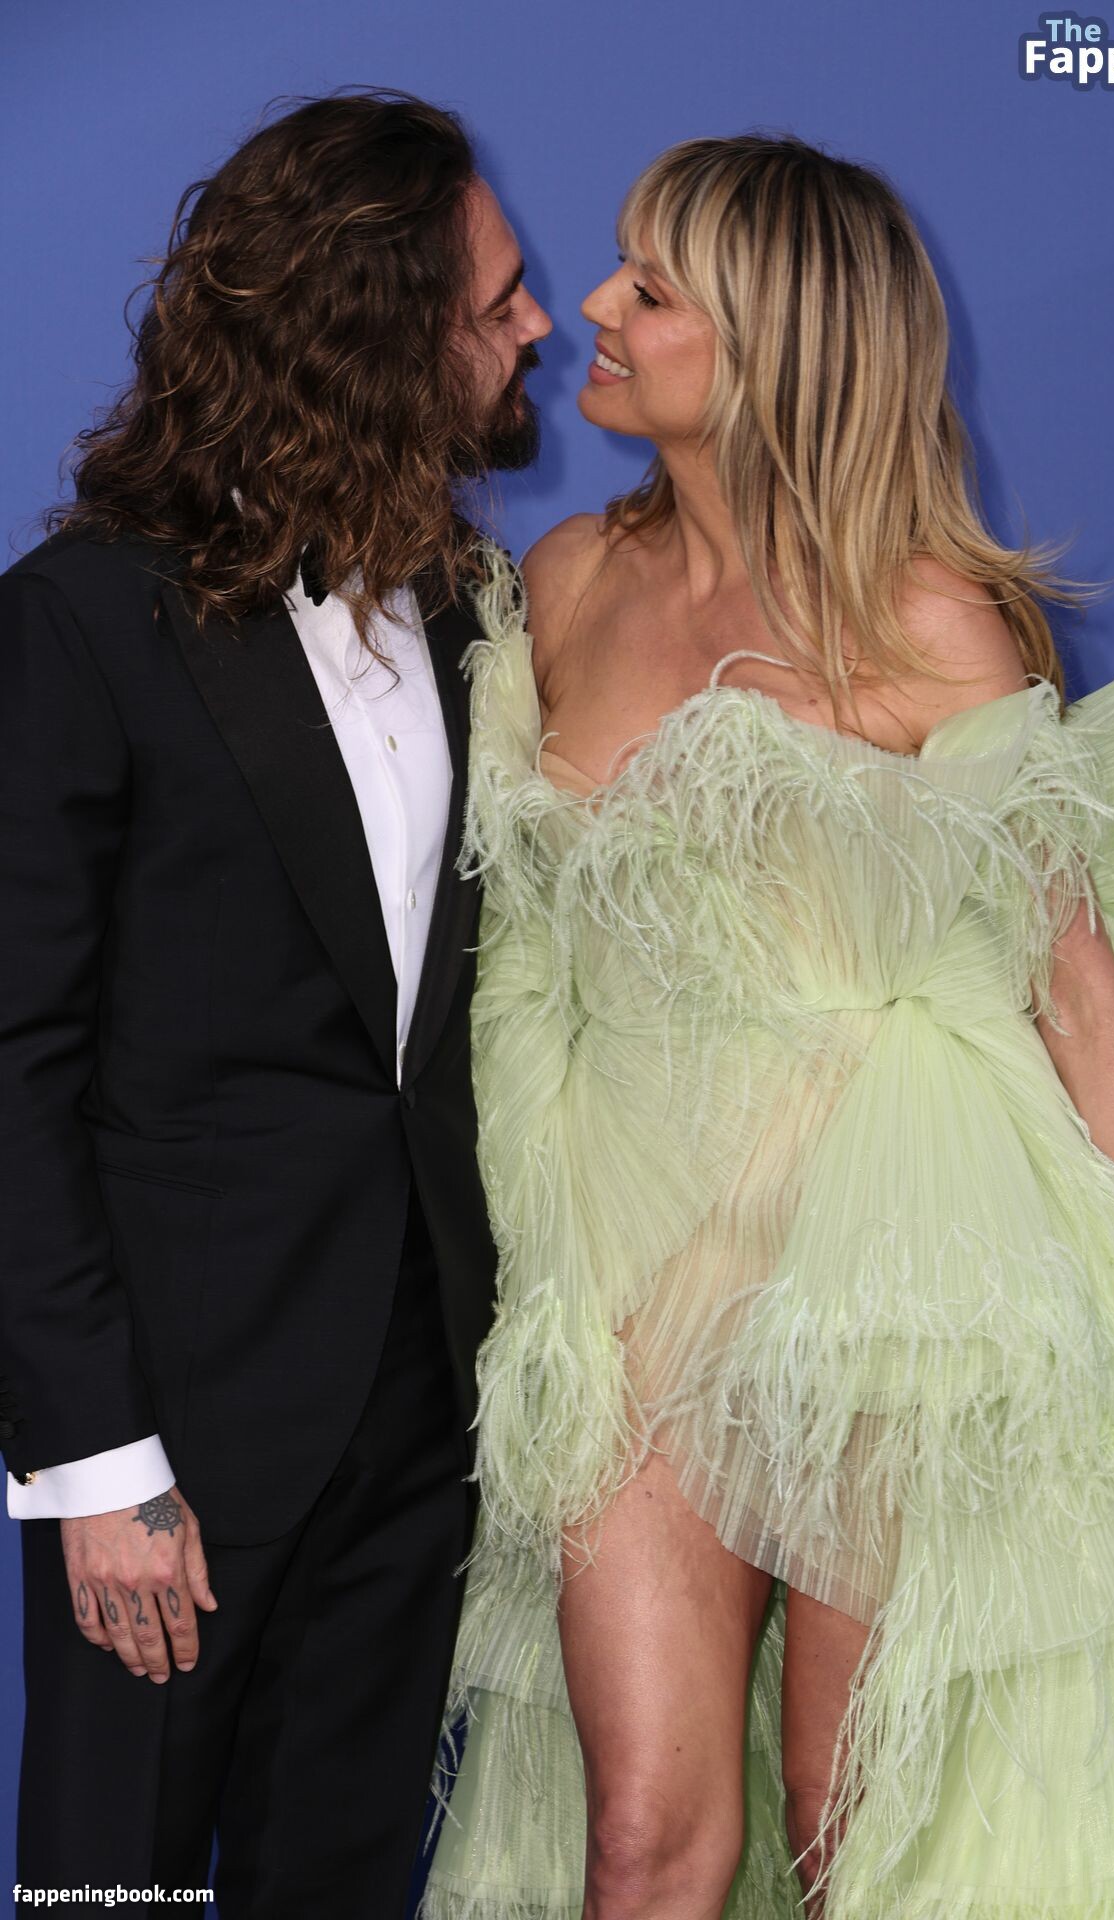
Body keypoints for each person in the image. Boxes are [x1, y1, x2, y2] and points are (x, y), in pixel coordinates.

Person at [423, 136, 1114, 1919]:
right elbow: (521, 965)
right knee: (642, 1839)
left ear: (774, 346)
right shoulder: (565, 581)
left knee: (851, 1829)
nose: (594, 306)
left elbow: (1074, 987)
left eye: (652, 286)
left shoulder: (930, 620)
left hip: (894, 1287)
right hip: (642, 1282)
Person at [0, 90, 551, 1916]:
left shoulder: (474, 607)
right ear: (378, 337)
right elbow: (14, 1065)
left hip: (418, 1413)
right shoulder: (85, 622)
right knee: (119, 1891)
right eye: (498, 301)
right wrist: (95, 1463)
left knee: (339, 1882)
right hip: (174, 1431)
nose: (539, 324)